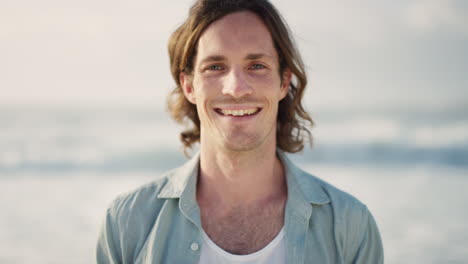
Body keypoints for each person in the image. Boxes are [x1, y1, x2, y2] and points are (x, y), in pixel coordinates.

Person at [96, 0, 384, 263]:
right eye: (215, 66)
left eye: (256, 65)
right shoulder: (127, 224)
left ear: (284, 82)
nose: (236, 88)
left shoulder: (350, 226)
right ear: (188, 86)